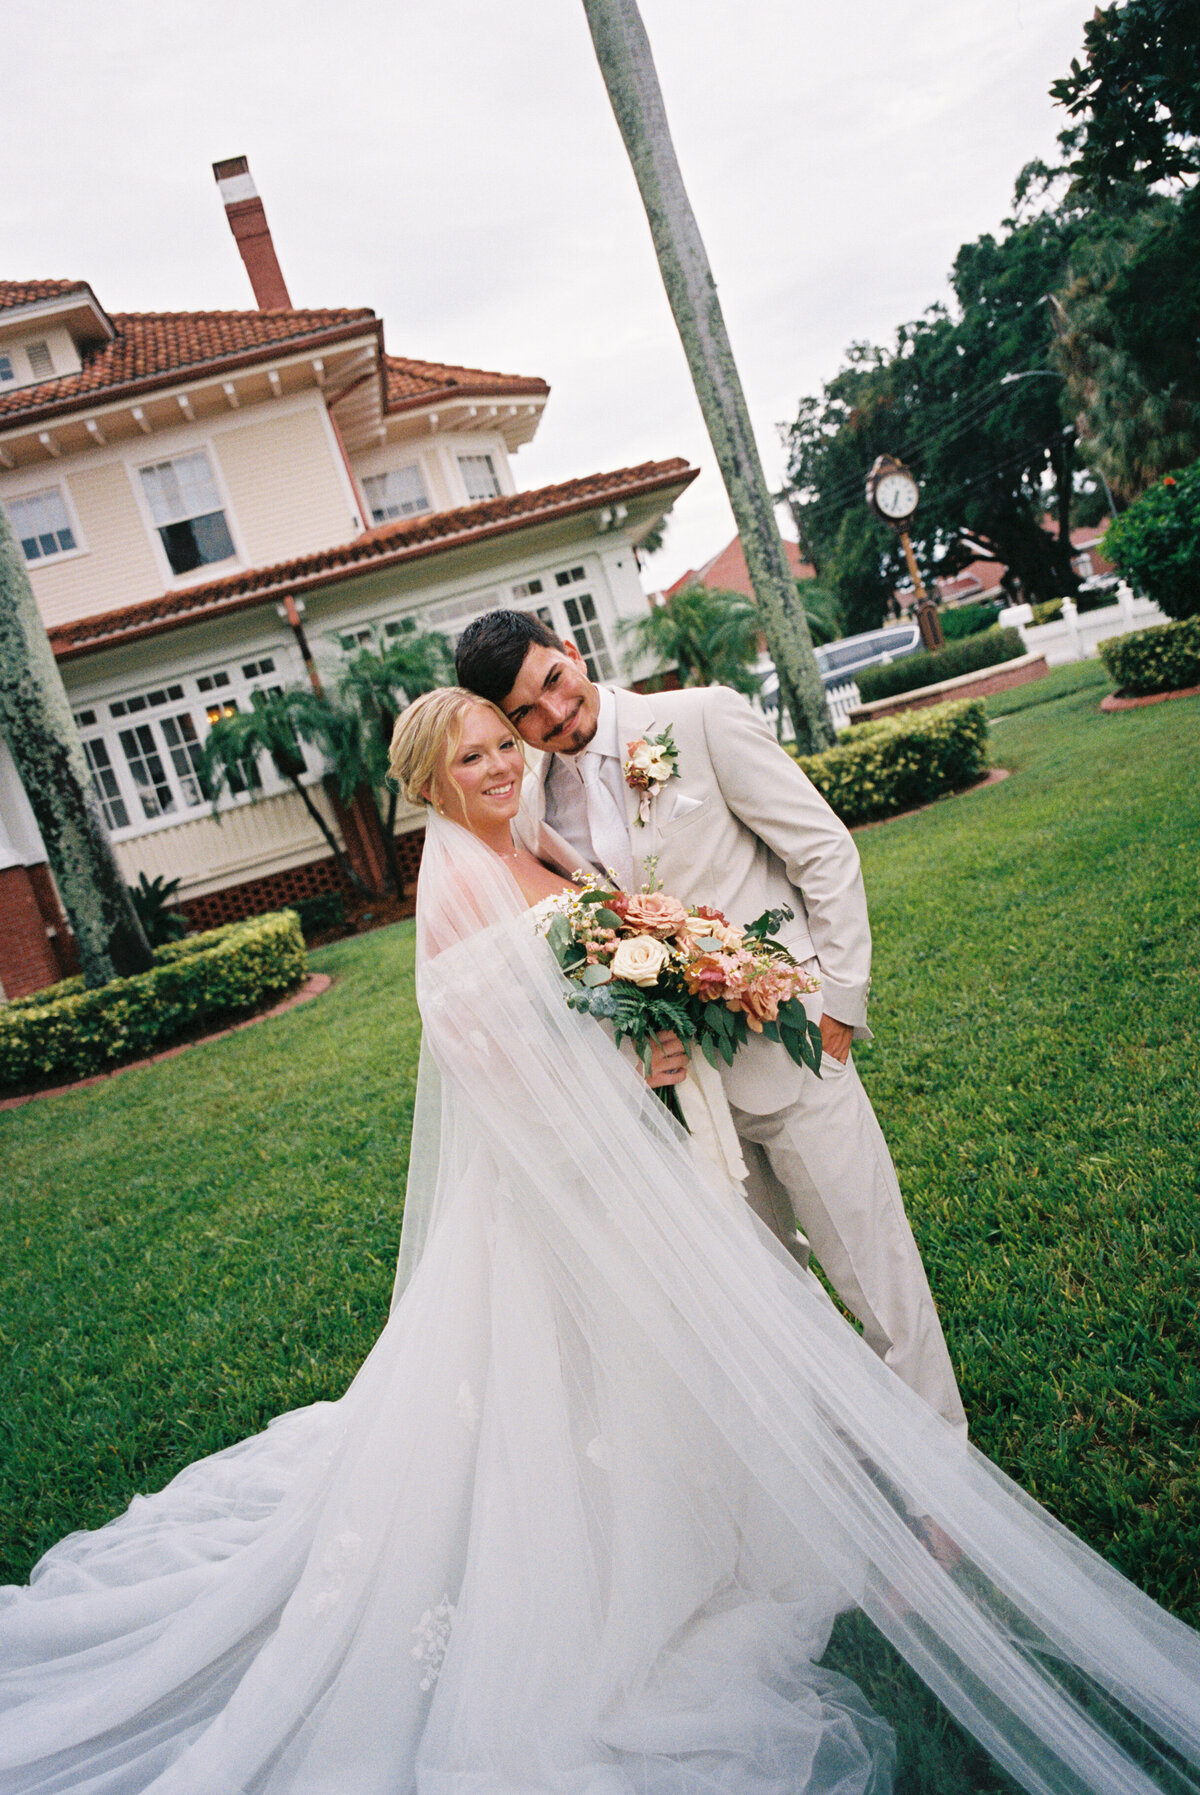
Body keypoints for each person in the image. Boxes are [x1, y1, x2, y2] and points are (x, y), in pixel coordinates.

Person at [1, 686, 1197, 1795]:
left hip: (640, 1153)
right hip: (566, 1181)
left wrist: (660, 1014)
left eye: (505, 744)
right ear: (430, 778)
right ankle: (625, 1577)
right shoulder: (458, 882)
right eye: (473, 755)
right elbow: (477, 1052)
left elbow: (595, 960)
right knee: (584, 1384)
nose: (500, 764)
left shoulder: (539, 842)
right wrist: (630, 1068)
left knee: (682, 1347)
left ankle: (738, 1518)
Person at [454, 610, 966, 1432]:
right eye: (524, 712)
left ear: (573, 654)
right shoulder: (532, 809)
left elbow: (822, 851)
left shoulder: (699, 718)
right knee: (770, 1297)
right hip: (685, 1099)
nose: (551, 714)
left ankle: (945, 1481)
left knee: (876, 1274)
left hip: (795, 1053)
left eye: (552, 680)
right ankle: (843, 1472)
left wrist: (839, 1006)